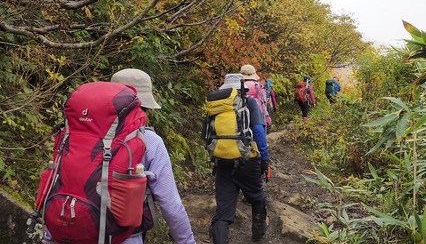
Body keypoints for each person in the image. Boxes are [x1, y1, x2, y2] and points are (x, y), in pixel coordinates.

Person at [42, 69, 196, 244]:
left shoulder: (72, 135)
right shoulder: (149, 141)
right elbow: (171, 204)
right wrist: (187, 241)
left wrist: (50, 236)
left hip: (64, 232)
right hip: (122, 238)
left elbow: (59, 182)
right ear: (143, 105)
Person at [111, 69, 196, 244]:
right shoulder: (149, 140)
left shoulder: (79, 133)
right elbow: (171, 205)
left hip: (77, 230)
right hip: (126, 236)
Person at [209, 73, 270, 243]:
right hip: (247, 161)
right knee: (258, 197)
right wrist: (264, 159)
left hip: (221, 162)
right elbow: (258, 131)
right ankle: (257, 234)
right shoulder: (249, 101)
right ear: (241, 87)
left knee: (223, 212)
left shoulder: (216, 105)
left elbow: (207, 135)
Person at [240, 64, 271, 134]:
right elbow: (263, 103)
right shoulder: (258, 86)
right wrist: (267, 116)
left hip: (241, 114)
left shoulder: (238, 86)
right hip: (258, 115)